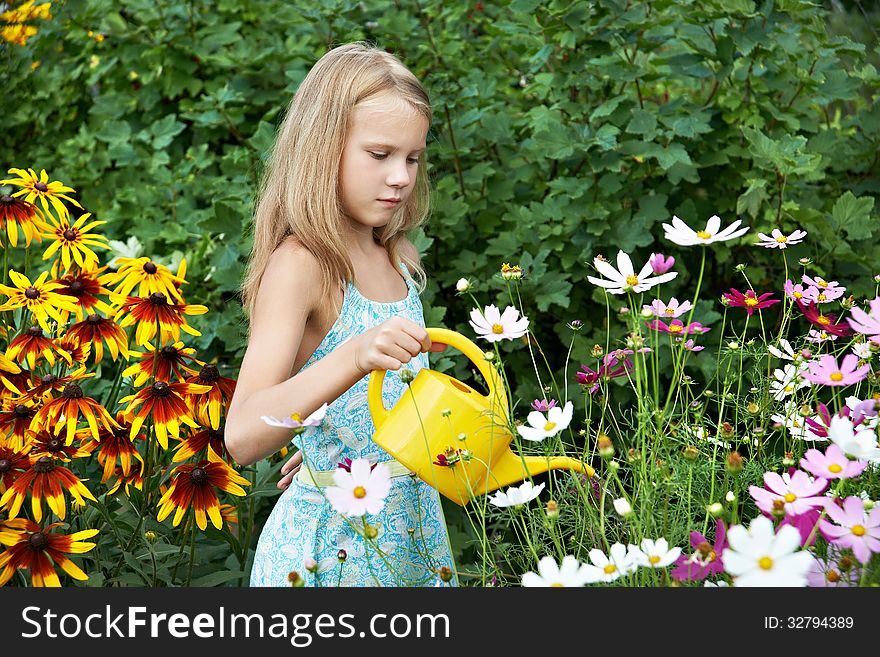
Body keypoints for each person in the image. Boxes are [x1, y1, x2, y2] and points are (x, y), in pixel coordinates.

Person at [225, 42, 458, 587]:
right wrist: (355, 355)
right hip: (330, 554)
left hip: (411, 535)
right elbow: (242, 435)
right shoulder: (302, 264)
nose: (401, 176)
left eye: (413, 158)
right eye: (379, 155)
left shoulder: (396, 254)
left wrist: (329, 449)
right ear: (321, 149)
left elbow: (373, 414)